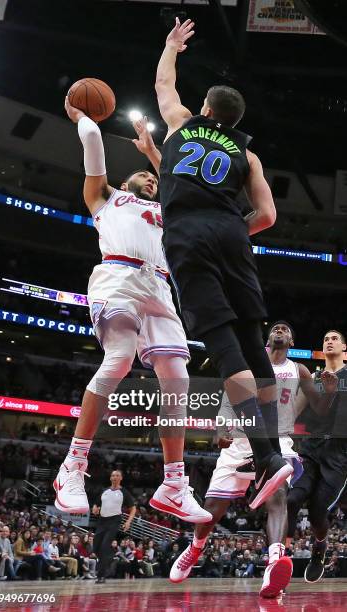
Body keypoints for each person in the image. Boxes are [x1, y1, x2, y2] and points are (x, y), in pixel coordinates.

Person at [153, 16, 293, 511]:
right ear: (233, 122)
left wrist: (172, 46)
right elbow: (269, 215)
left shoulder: (182, 124)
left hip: (189, 231)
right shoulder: (248, 155)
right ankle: (273, 452)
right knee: (254, 345)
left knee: (222, 344)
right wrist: (232, 230)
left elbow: (164, 85)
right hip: (232, 233)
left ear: (207, 109)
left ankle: (266, 457)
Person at [53, 96, 211, 526]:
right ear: (125, 184)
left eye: (153, 179)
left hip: (159, 287)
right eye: (142, 176)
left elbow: (182, 186)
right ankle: (73, 467)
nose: (151, 181)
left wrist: (153, 154)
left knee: (177, 379)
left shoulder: (167, 210)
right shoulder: (105, 199)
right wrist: (83, 117)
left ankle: (173, 484)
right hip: (118, 278)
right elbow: (92, 143)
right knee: (119, 358)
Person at [170, 321, 337, 597]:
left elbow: (319, 409)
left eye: (286, 329)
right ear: (268, 338)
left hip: (276, 442)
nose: (280, 331)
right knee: (212, 509)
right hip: (239, 439)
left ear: (292, 342)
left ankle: (274, 562)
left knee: (279, 494)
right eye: (276, 329)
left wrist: (329, 394)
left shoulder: (300, 371)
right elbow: (228, 399)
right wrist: (221, 429)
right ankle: (195, 547)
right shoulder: (246, 363)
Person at [287, 329, 347, 584]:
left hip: (339, 455)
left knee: (317, 513)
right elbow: (292, 412)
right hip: (310, 448)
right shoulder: (313, 378)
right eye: (325, 339)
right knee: (291, 499)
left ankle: (319, 548)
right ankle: (280, 559)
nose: (329, 341)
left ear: (344, 348)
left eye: (335, 338)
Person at [92, 470, 135, 584]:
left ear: (121, 478)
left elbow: (133, 508)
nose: (114, 477)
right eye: (113, 475)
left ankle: (101, 576)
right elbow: (96, 504)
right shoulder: (104, 491)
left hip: (114, 521)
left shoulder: (124, 492)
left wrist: (128, 522)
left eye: (117, 475)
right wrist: (95, 509)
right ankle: (111, 554)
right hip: (102, 521)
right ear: (110, 478)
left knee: (104, 547)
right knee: (96, 547)